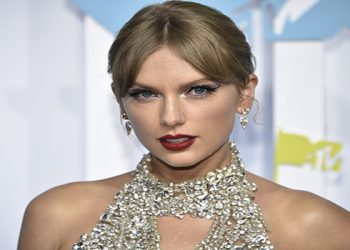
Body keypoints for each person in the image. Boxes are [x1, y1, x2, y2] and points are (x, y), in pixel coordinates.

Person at [18, 1, 350, 249]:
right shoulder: (56, 215)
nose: (171, 117)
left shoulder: (313, 226)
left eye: (198, 90)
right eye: (145, 93)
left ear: (245, 93)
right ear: (120, 101)